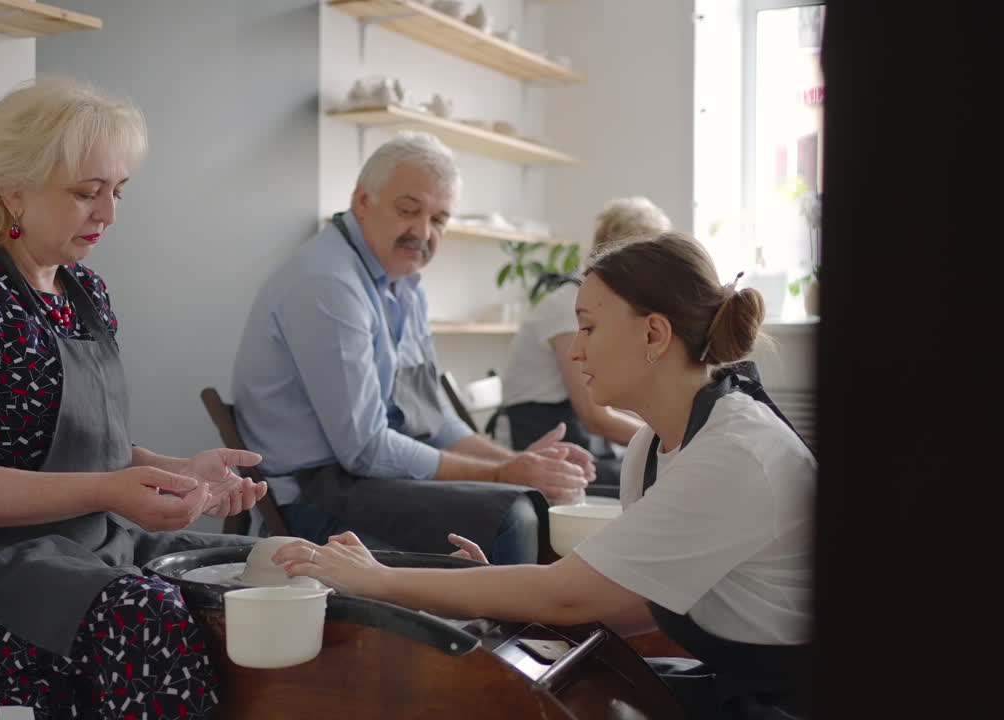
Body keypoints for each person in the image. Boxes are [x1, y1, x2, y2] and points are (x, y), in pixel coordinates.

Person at [274, 232, 816, 720]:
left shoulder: (734, 450)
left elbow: (568, 598)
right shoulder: (650, 447)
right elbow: (631, 599)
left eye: (589, 327)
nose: (575, 349)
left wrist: (380, 579)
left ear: (654, 334)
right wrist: (495, 593)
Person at [0, 77, 267, 720]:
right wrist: (110, 493)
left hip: (88, 549)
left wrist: (179, 472)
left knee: (269, 570)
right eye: (87, 193)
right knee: (149, 616)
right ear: (14, 189)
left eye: (117, 191)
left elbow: (91, 448)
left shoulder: (85, 292)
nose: (108, 213)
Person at [230, 131, 595, 566]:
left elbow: (436, 420)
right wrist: (501, 474)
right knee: (513, 513)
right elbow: (364, 449)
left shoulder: (404, 285)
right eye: (409, 210)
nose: (422, 232)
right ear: (363, 201)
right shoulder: (329, 285)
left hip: (363, 478)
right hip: (313, 494)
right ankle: (497, 633)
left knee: (532, 495)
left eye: (439, 220)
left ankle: (527, 629)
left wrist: (519, 464)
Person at [500, 196, 671, 496]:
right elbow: (595, 417)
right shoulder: (569, 308)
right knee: (660, 479)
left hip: (581, 438)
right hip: (549, 441)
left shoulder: (600, 305)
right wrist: (672, 442)